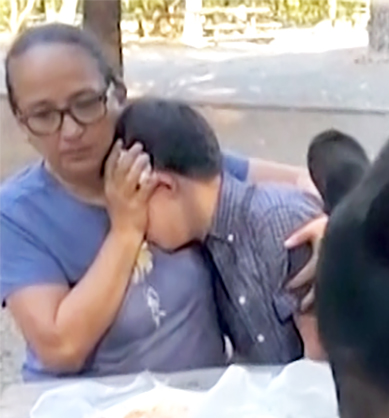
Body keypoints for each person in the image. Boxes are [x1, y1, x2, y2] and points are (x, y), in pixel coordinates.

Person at [0, 23, 327, 381]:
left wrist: (330, 226)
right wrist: (125, 232)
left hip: (198, 406)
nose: (71, 130)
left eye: (85, 103)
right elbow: (60, 348)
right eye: (44, 115)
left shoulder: (159, 152)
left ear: (117, 95)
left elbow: (302, 180)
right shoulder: (18, 214)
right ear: (22, 123)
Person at [115, 97, 325, 363]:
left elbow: (321, 367)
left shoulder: (279, 224)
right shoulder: (210, 246)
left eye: (133, 202)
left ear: (163, 186)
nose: (137, 226)